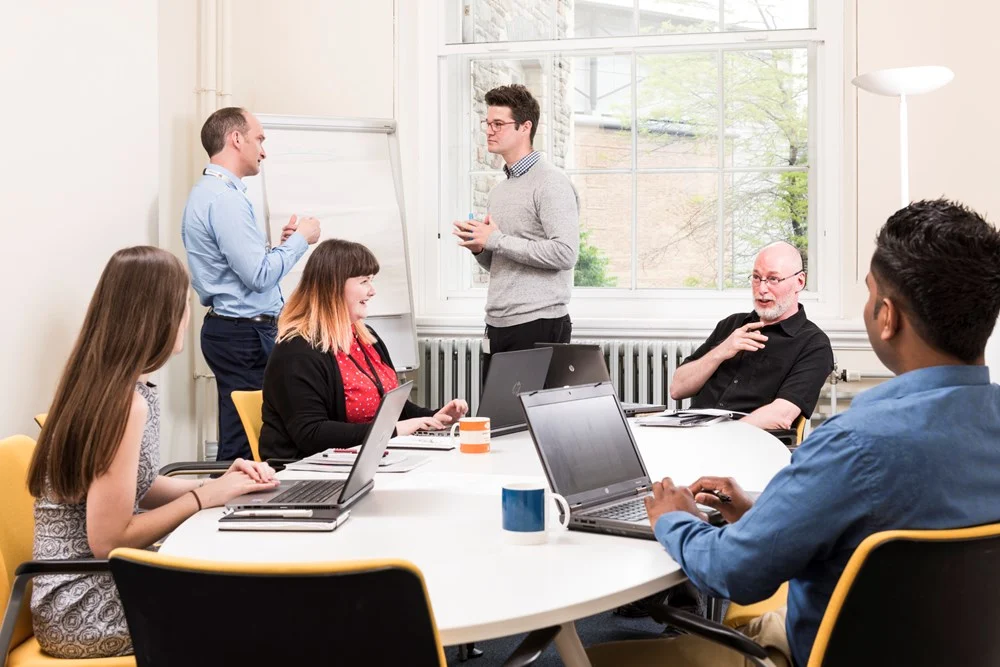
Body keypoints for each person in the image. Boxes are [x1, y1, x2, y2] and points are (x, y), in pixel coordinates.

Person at [586, 199, 1000, 667]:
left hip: (816, 650)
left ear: (887, 317)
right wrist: (764, 509)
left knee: (593, 657)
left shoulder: (852, 444)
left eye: (868, 293)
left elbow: (734, 572)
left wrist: (672, 518)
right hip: (949, 648)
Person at [27, 246, 279, 659]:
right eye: (182, 305)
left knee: (250, 590)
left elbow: (136, 488)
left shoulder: (116, 386)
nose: (187, 316)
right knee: (258, 606)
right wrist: (201, 499)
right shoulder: (123, 404)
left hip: (93, 585)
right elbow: (108, 541)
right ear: (158, 316)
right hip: (83, 602)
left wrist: (218, 486)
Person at [182, 106, 321, 461]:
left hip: (238, 331)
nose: (263, 150)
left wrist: (282, 247)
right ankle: (225, 511)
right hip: (244, 335)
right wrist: (300, 240)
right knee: (245, 441)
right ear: (236, 139)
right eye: (259, 139)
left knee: (249, 435)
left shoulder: (214, 193)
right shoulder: (225, 199)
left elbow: (246, 270)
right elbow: (258, 276)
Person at [259, 239, 468, 460]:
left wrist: (434, 416)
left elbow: (392, 408)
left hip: (362, 459)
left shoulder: (365, 337)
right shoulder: (297, 350)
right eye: (364, 281)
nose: (372, 291)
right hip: (310, 471)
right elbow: (311, 434)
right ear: (334, 285)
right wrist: (394, 431)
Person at [452, 84, 579, 356]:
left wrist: (496, 239)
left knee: (524, 402)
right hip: (498, 324)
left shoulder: (551, 183)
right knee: (497, 402)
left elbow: (565, 253)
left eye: (498, 123)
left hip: (538, 323)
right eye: (487, 123)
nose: (489, 130)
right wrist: (480, 248)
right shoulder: (500, 190)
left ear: (525, 127)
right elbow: (503, 261)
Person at [670, 242, 834, 430]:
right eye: (756, 277)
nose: (762, 289)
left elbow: (781, 415)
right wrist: (722, 351)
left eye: (773, 279)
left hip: (746, 444)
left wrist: (718, 436)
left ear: (799, 282)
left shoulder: (813, 344)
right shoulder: (731, 325)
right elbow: (677, 388)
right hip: (692, 433)